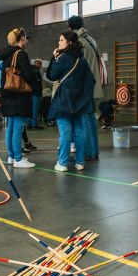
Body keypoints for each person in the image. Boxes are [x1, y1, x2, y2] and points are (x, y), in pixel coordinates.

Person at [46, 31, 94, 172]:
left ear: (69, 43)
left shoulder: (64, 58)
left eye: (61, 40)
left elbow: (51, 75)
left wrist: (54, 57)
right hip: (79, 102)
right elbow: (91, 80)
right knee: (79, 131)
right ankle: (80, 162)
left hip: (64, 100)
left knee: (65, 132)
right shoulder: (82, 60)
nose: (59, 42)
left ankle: (62, 163)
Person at [0, 28, 35, 168]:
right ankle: (19, 159)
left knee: (11, 127)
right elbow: (28, 75)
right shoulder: (21, 54)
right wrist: (34, 82)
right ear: (21, 38)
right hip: (19, 95)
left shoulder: (6, 54)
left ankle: (12, 156)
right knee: (18, 126)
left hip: (7, 94)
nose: (27, 40)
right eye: (26, 37)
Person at [68, 16, 103, 161]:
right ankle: (93, 151)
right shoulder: (92, 40)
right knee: (90, 119)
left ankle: (88, 152)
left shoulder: (78, 42)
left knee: (84, 121)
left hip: (83, 87)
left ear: (70, 27)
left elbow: (76, 66)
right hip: (93, 84)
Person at [28, 59, 43, 129]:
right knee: (35, 110)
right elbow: (37, 84)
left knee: (30, 109)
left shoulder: (30, 70)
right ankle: (34, 125)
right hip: (35, 93)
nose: (41, 66)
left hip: (30, 93)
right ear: (38, 64)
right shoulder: (36, 71)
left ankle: (29, 124)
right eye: (40, 64)